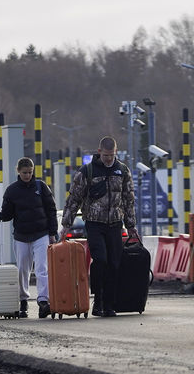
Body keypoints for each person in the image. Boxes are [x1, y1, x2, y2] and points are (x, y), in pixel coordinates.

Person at [60, 136, 139, 317]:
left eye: (111, 155)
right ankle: (98, 299)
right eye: (105, 155)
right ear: (99, 152)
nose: (109, 159)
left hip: (115, 224)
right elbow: (74, 199)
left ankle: (109, 304)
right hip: (94, 223)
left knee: (114, 263)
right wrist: (66, 224)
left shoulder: (123, 170)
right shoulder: (87, 171)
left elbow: (128, 200)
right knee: (100, 260)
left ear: (115, 153)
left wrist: (131, 225)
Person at [0, 157, 57, 318]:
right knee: (22, 270)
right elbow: (8, 213)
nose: (27, 175)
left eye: (30, 172)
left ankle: (43, 301)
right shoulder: (12, 191)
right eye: (25, 172)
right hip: (21, 236)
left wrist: (52, 233)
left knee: (42, 268)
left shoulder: (41, 187)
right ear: (18, 172)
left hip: (41, 234)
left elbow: (51, 210)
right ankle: (23, 300)